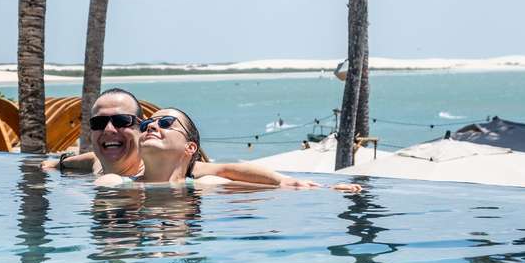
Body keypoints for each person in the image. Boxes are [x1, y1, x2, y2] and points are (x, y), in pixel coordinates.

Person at [42, 88, 359, 190]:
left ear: (134, 128)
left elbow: (227, 171)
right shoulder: (101, 165)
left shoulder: (187, 174)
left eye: (121, 121)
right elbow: (83, 162)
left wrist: (291, 183)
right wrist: (53, 165)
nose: (109, 130)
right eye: (99, 122)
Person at [95, 107, 361, 192]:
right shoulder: (114, 183)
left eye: (165, 123)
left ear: (190, 148)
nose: (152, 126)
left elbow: (244, 176)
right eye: (148, 124)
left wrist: (325, 191)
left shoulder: (204, 184)